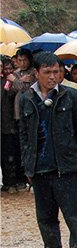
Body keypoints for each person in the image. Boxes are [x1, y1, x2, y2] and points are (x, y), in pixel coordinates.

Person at [17, 52, 77, 248]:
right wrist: (26, 164)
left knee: (73, 216)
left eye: (56, 72)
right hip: (39, 168)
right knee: (46, 217)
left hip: (65, 166)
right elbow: (23, 135)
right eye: (47, 72)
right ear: (36, 73)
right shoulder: (27, 99)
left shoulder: (72, 97)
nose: (52, 77)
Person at [1, 56, 23, 193]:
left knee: (7, 155)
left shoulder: (6, 83)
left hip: (5, 124)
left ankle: (10, 182)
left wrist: (15, 81)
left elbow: (15, 92)